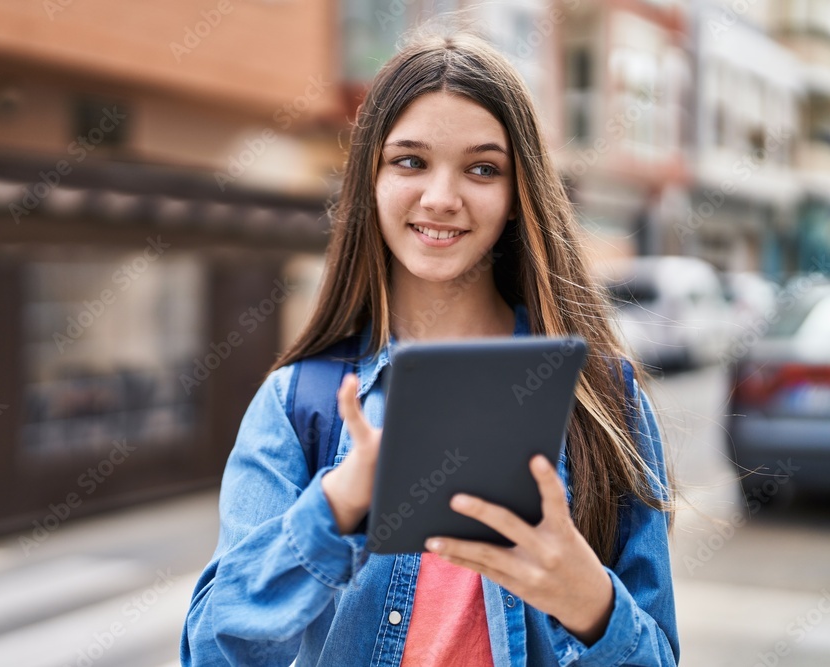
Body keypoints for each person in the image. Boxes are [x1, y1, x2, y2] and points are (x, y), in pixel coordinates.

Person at [181, 28, 679, 667]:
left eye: (482, 168)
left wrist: (586, 599)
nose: (442, 198)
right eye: (410, 161)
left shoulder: (602, 401)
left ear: (516, 194)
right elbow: (213, 653)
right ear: (372, 179)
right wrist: (335, 512)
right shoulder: (299, 403)